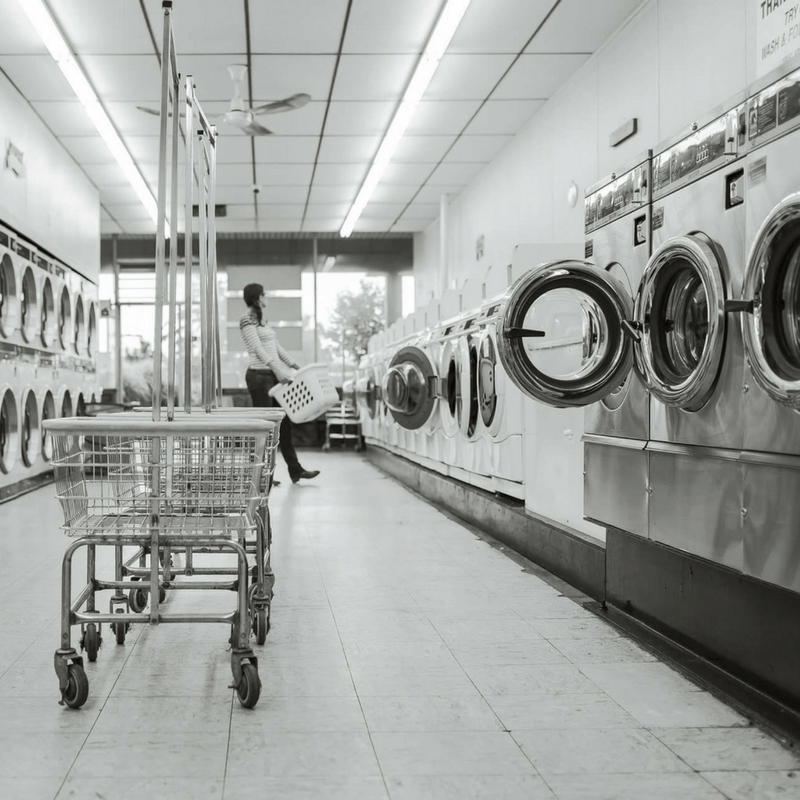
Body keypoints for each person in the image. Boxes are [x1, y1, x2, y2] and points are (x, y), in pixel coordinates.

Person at [240, 283, 320, 484]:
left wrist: (297, 366)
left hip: (272, 376)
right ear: (258, 297)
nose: (266, 297)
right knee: (265, 428)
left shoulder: (263, 321)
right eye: (264, 294)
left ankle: (295, 470)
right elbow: (258, 349)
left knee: (284, 425)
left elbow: (276, 348)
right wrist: (277, 369)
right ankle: (261, 476)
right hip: (258, 377)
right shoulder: (246, 320)